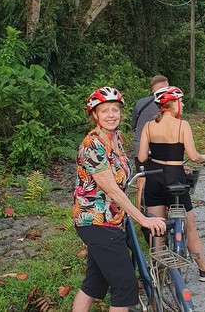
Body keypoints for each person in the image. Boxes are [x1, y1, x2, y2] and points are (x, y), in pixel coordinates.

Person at [72, 86, 167, 312]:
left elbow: (126, 178)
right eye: (104, 110)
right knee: (124, 286)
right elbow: (113, 191)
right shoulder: (92, 145)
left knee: (94, 284)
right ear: (95, 115)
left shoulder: (115, 138)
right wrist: (143, 219)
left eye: (115, 109)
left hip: (112, 220)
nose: (111, 115)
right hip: (96, 221)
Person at [138, 85, 205, 282]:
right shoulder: (182, 125)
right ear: (173, 104)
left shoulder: (148, 126)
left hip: (153, 177)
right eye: (181, 101)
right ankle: (204, 269)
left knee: (158, 226)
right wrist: (204, 157)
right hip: (174, 178)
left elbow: (142, 156)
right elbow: (193, 156)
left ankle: (157, 272)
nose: (184, 104)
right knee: (190, 226)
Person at [131, 74, 169, 208]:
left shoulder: (140, 102)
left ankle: (139, 211)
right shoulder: (168, 104)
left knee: (141, 179)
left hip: (139, 145)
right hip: (160, 146)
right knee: (162, 177)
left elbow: (133, 124)